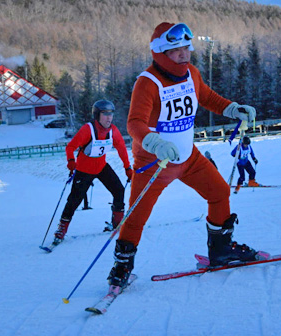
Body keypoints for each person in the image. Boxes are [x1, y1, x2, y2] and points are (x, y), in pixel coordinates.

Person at [106, 22, 268, 290]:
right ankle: (121, 268)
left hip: (188, 158)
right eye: (175, 49)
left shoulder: (191, 73)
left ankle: (221, 250)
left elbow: (206, 97)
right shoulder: (147, 83)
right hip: (155, 163)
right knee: (136, 217)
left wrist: (233, 109)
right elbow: (134, 123)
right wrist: (155, 143)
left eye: (186, 47)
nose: (184, 53)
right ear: (160, 52)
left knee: (219, 193)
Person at [53, 100, 133, 242]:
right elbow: (70, 147)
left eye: (111, 114)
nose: (109, 118)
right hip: (84, 170)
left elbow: (121, 148)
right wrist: (71, 161)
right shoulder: (87, 129)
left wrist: (127, 168)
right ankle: (62, 229)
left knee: (119, 190)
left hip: (102, 167)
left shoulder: (113, 130)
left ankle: (117, 223)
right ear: (97, 115)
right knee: (74, 200)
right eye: (105, 114)